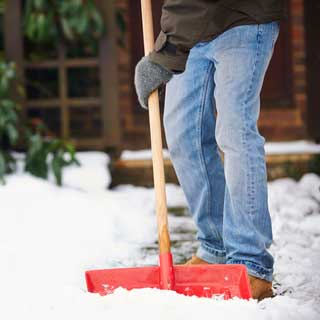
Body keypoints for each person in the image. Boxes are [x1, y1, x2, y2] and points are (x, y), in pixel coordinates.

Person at [135, 0, 284, 300]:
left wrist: (165, 54)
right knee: (182, 130)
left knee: (234, 129)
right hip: (193, 32)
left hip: (244, 17)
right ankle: (215, 247)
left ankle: (250, 262)